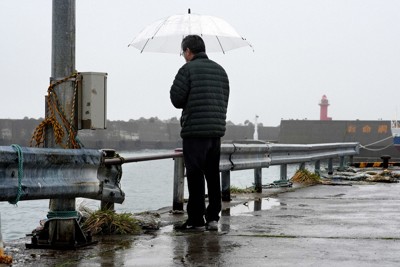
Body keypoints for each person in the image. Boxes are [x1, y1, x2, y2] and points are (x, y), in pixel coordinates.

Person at [170, 35, 230, 231]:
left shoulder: (187, 70)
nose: (183, 56)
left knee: (195, 175)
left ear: (188, 51)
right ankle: (213, 218)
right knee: (212, 174)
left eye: (183, 52)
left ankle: (196, 220)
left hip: (195, 131)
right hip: (215, 132)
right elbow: (224, 99)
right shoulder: (220, 71)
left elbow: (177, 100)